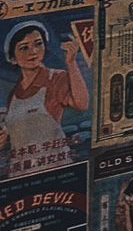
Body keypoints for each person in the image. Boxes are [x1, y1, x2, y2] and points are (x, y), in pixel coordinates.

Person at [1, 19, 90, 173]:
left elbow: (81, 104)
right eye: (24, 48)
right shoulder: (14, 94)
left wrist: (71, 62)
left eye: (38, 44)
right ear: (13, 58)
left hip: (53, 167)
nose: (33, 51)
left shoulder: (55, 78)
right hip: (20, 171)